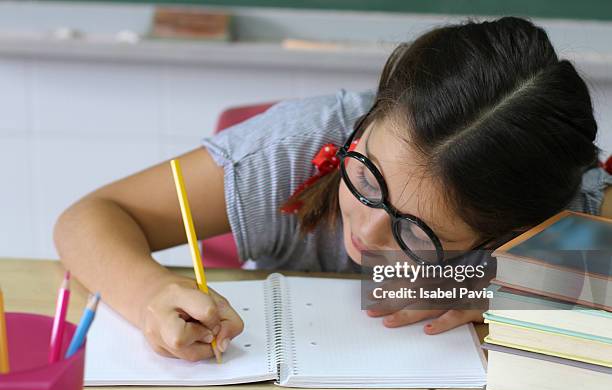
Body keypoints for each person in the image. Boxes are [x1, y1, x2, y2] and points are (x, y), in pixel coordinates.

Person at [54, 17, 612, 362]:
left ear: (508, 228)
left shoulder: (571, 213)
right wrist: (151, 294)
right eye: (365, 177)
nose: (364, 231)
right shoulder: (291, 149)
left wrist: (515, 291)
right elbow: (91, 217)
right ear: (369, 119)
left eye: (413, 230)